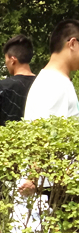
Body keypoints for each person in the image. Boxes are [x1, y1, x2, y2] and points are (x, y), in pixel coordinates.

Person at [17, 19, 79, 197]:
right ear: (72, 43)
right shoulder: (53, 84)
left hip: (58, 185)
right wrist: (33, 179)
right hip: (55, 188)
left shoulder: (59, 81)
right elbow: (42, 137)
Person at [0, 34, 37, 130]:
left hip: (9, 142)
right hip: (39, 141)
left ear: (12, 60)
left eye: (6, 60)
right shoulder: (42, 84)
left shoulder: (1, 87)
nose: (6, 64)